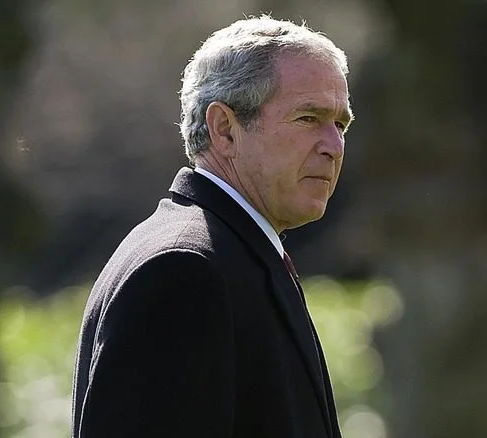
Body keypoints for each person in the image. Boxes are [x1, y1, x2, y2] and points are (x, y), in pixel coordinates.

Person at [70, 15, 353, 438]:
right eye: (308, 118)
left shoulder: (231, 254)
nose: (333, 146)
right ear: (224, 130)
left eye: (341, 124)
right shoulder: (184, 271)